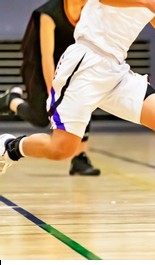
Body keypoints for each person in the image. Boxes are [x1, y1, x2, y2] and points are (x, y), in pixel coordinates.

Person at [0, 0, 155, 216]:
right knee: (62, 149)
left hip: (115, 70)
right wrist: (145, 2)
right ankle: (11, 147)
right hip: (84, 65)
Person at [0, 0, 101, 176]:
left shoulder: (92, 9)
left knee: (84, 98)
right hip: (40, 65)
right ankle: (11, 100)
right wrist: (53, 92)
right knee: (41, 118)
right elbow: (46, 57)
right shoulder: (48, 13)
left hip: (70, 63)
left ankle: (79, 158)